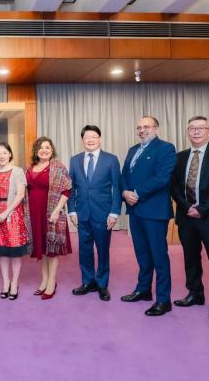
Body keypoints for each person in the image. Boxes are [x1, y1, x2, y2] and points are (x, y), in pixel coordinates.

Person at [170, 116, 209, 322]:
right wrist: (188, 207)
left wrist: (202, 209)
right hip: (187, 216)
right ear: (187, 132)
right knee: (191, 257)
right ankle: (195, 294)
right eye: (192, 128)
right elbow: (174, 187)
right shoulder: (179, 157)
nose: (196, 132)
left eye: (201, 128)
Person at [120, 116, 177, 316]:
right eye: (139, 127)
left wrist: (136, 193)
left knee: (159, 256)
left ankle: (163, 300)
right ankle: (143, 290)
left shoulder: (166, 148)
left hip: (154, 211)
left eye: (146, 127)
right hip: (135, 210)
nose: (142, 130)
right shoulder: (133, 150)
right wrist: (125, 192)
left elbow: (162, 178)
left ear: (156, 129)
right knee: (142, 254)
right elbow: (124, 175)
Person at [69, 125, 121, 302]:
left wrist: (114, 212)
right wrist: (71, 210)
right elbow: (71, 188)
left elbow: (117, 187)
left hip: (103, 213)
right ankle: (87, 281)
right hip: (82, 213)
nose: (90, 140)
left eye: (94, 136)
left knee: (103, 250)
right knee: (84, 250)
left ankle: (102, 284)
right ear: (82, 140)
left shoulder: (111, 160)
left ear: (100, 139)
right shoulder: (75, 160)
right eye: (86, 137)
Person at [26, 136, 72, 300]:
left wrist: (56, 211)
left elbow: (67, 190)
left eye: (48, 147)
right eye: (41, 147)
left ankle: (52, 282)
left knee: (51, 250)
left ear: (52, 151)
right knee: (42, 249)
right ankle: (44, 280)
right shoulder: (30, 167)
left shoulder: (58, 167)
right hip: (34, 214)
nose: (44, 150)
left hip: (51, 213)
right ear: (36, 151)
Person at [0, 142, 31, 300]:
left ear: (10, 154)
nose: (1, 156)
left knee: (15, 253)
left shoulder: (18, 171)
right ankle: (5, 283)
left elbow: (20, 195)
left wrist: (6, 212)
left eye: (4, 153)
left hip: (12, 215)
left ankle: (14, 283)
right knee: (2, 252)